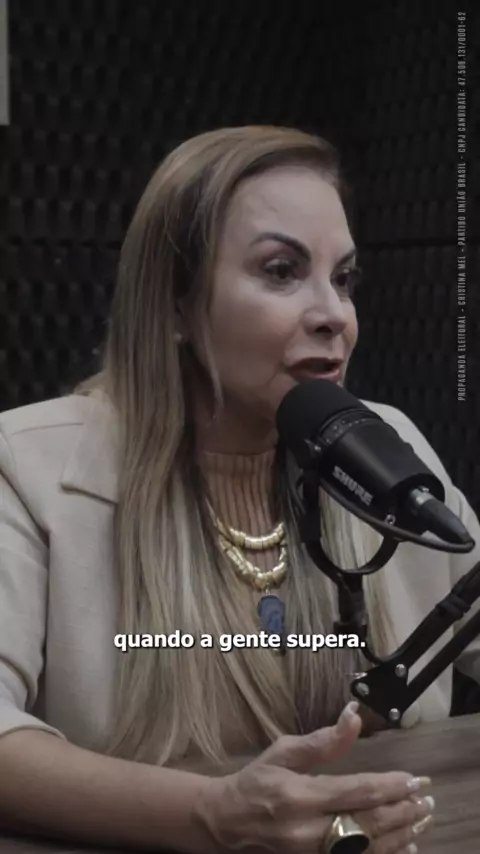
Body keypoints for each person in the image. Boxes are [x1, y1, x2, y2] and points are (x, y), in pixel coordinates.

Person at [0, 125, 478, 853]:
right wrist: (211, 815)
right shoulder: (26, 466)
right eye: (282, 271)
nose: (334, 314)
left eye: (344, 279)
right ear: (176, 304)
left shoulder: (390, 447)